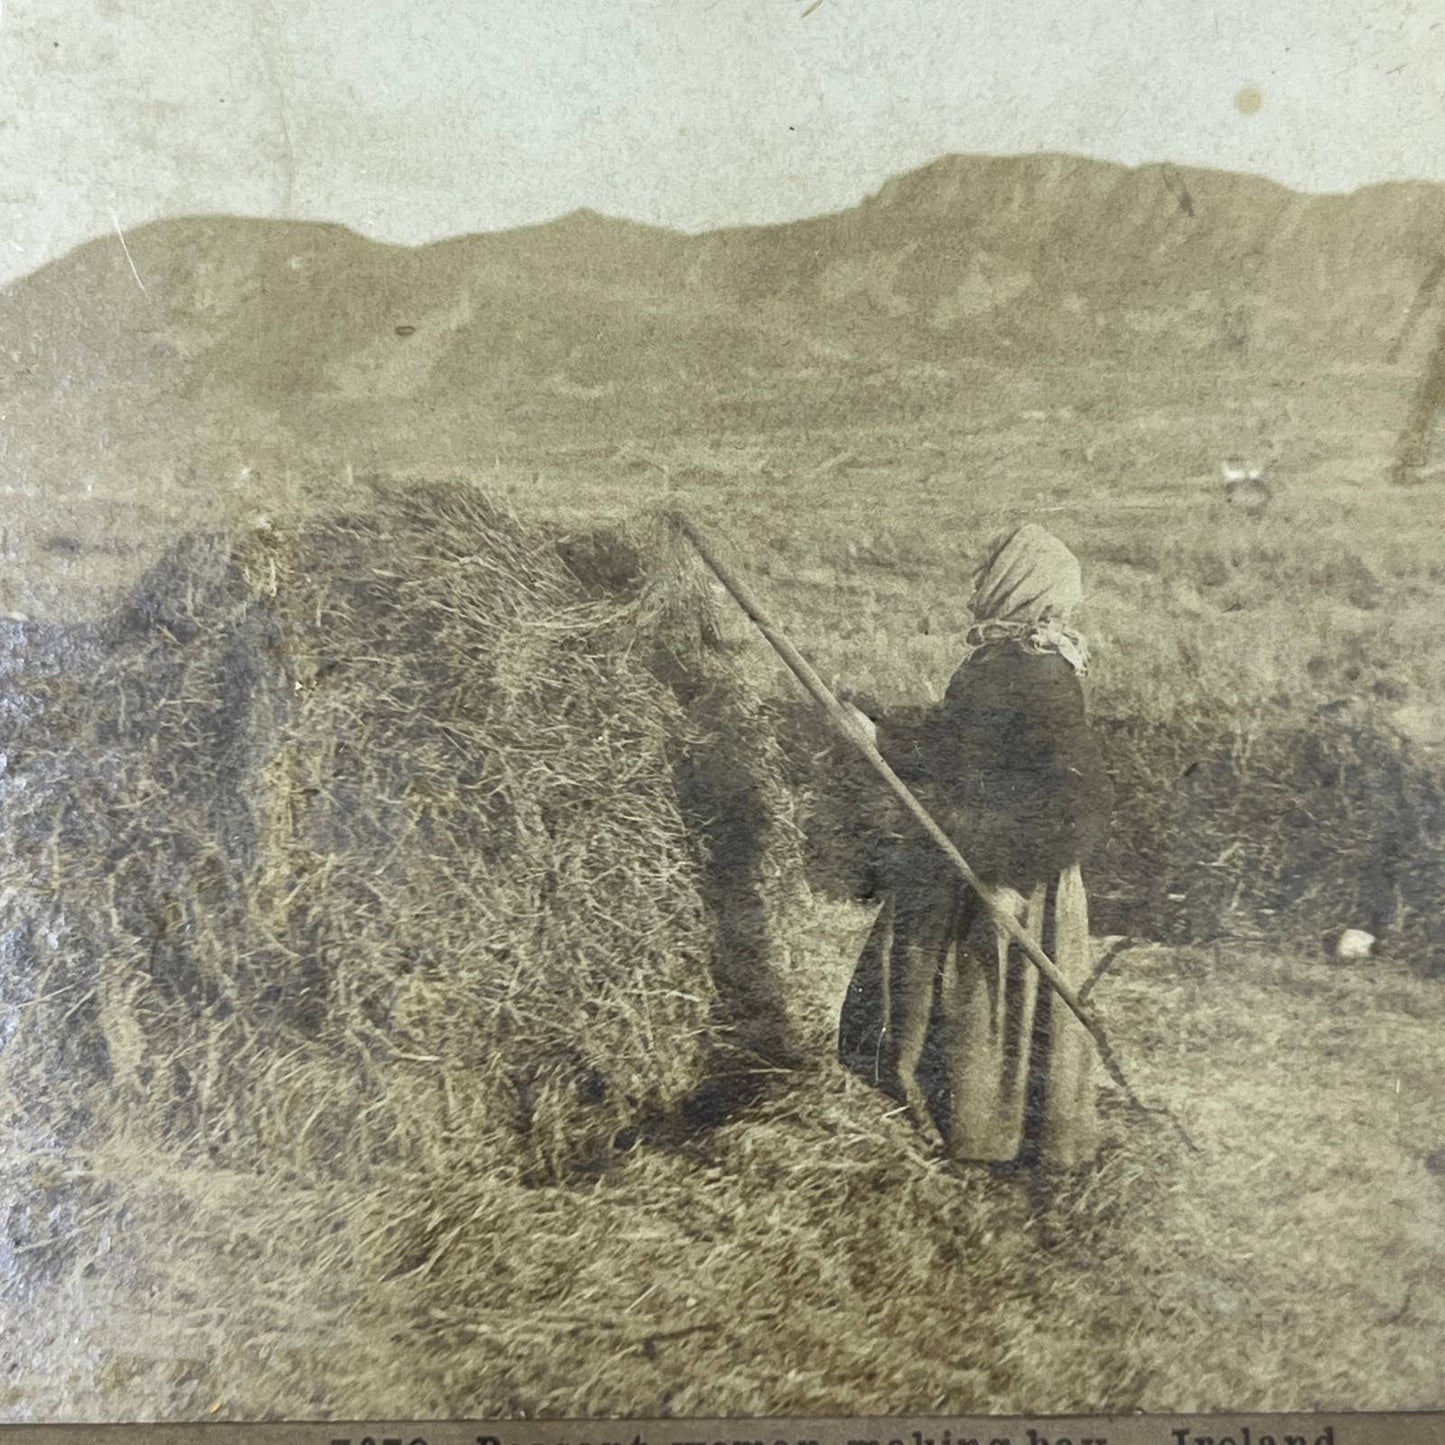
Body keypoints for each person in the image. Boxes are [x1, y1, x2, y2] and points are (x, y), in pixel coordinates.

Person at [837, 523, 1114, 1169]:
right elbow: (954, 748)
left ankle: (995, 1142)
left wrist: (1011, 877)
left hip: (1012, 872)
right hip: (966, 855)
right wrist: (878, 736)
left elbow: (1082, 801)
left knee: (985, 1004)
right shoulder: (994, 665)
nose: (970, 592)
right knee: (929, 997)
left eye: (986, 573)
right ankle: (943, 1126)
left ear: (1017, 585)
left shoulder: (1042, 676)